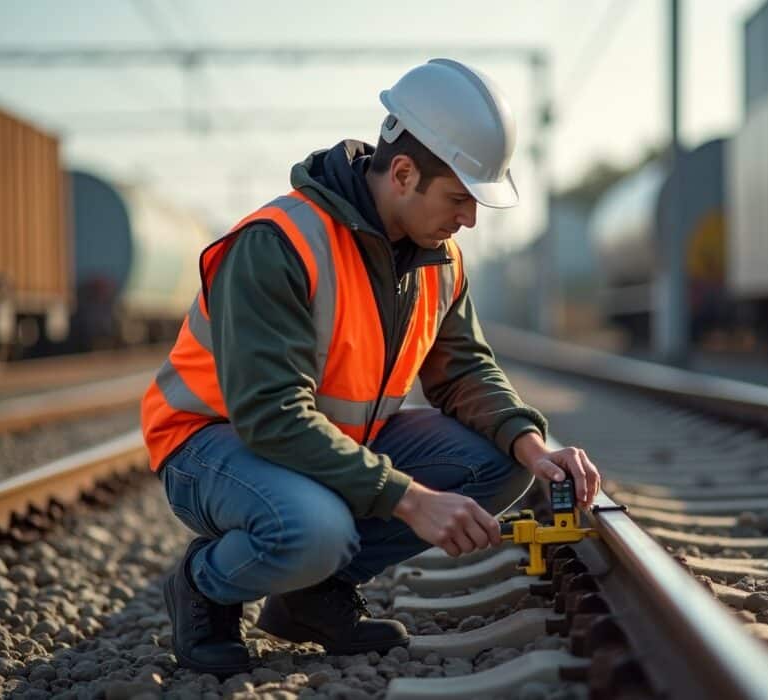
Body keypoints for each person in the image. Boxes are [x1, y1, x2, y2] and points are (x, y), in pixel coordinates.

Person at [140, 58, 601, 676]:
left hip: (327, 442)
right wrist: (408, 498)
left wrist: (534, 447)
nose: (469, 218)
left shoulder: (441, 260)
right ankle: (203, 583)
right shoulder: (277, 242)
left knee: (498, 463)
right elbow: (270, 416)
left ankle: (309, 598)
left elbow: (465, 370)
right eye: (460, 198)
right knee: (314, 531)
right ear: (404, 173)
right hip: (213, 445)